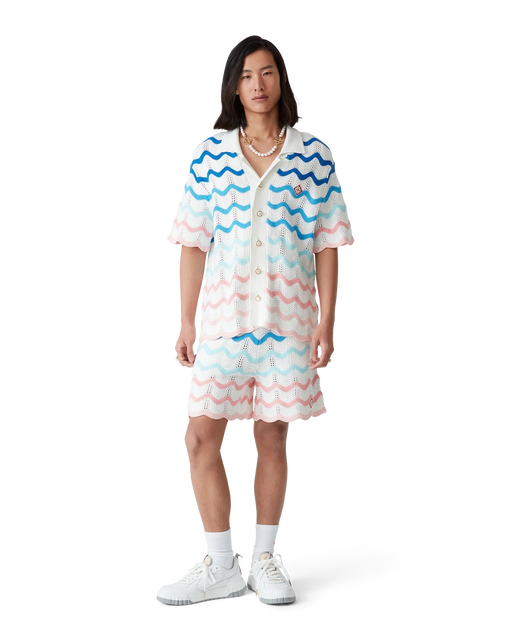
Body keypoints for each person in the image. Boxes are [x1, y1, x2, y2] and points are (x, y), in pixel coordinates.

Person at [155, 34, 356, 607]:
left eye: (267, 73)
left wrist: (326, 319)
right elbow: (192, 241)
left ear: (282, 81)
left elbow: (328, 241)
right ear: (234, 87)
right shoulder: (208, 154)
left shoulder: (314, 153)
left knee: (272, 435)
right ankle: (221, 563)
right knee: (199, 435)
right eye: (246, 76)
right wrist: (185, 322)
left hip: (289, 320)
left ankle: (266, 557)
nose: (258, 85)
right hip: (223, 319)